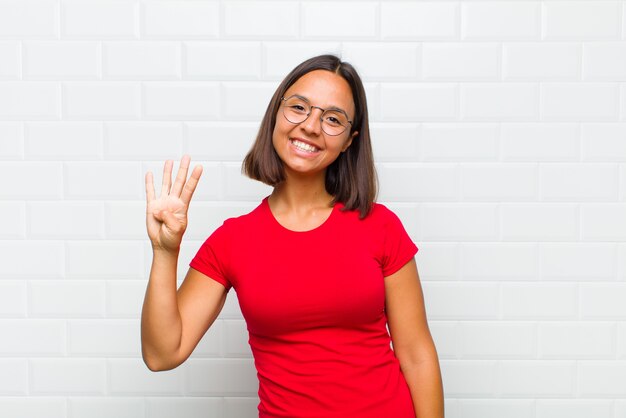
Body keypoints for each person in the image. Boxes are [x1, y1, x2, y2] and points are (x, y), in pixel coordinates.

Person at [141, 54, 444, 418]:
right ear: (276, 115)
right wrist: (164, 251)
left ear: (350, 141)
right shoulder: (233, 240)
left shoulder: (380, 225)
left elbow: (416, 355)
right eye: (299, 107)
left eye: (333, 119)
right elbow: (162, 354)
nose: (311, 126)